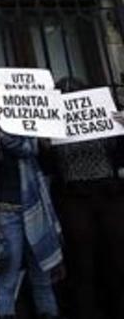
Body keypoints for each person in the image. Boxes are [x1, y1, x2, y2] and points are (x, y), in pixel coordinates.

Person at [0, 110, 62, 319]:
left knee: (42, 277)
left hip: (36, 210)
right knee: (8, 277)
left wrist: (44, 139)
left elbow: (51, 163)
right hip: (6, 212)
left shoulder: (35, 133)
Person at [48, 77, 124, 319]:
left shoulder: (105, 121)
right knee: (82, 259)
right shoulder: (54, 127)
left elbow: (118, 153)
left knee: (116, 254)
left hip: (108, 192)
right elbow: (50, 165)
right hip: (74, 196)